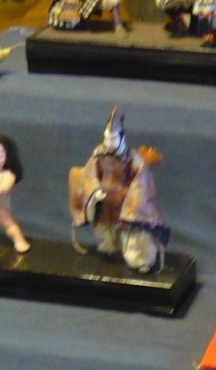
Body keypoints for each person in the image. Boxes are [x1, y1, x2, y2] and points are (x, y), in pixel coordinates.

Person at [68, 108, 169, 273]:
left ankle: (142, 260)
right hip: (103, 199)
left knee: (133, 234)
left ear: (122, 138)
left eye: (113, 139)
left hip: (125, 201)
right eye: (108, 139)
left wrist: (134, 201)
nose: (110, 144)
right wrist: (94, 190)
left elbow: (141, 179)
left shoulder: (132, 158)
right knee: (104, 228)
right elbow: (90, 173)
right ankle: (109, 247)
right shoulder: (99, 155)